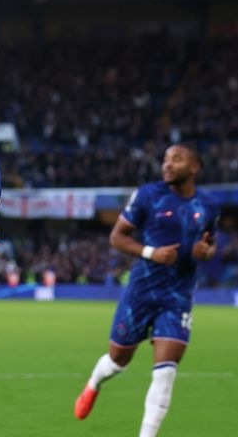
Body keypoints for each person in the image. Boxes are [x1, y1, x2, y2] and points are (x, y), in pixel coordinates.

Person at [74, 144, 220, 437]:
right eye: (166, 159)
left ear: (194, 167)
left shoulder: (208, 205)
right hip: (141, 292)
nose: (167, 164)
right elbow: (117, 237)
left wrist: (206, 252)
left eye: (176, 159)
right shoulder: (148, 195)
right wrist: (152, 253)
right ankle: (94, 383)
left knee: (166, 372)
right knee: (118, 360)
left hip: (178, 296)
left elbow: (210, 244)